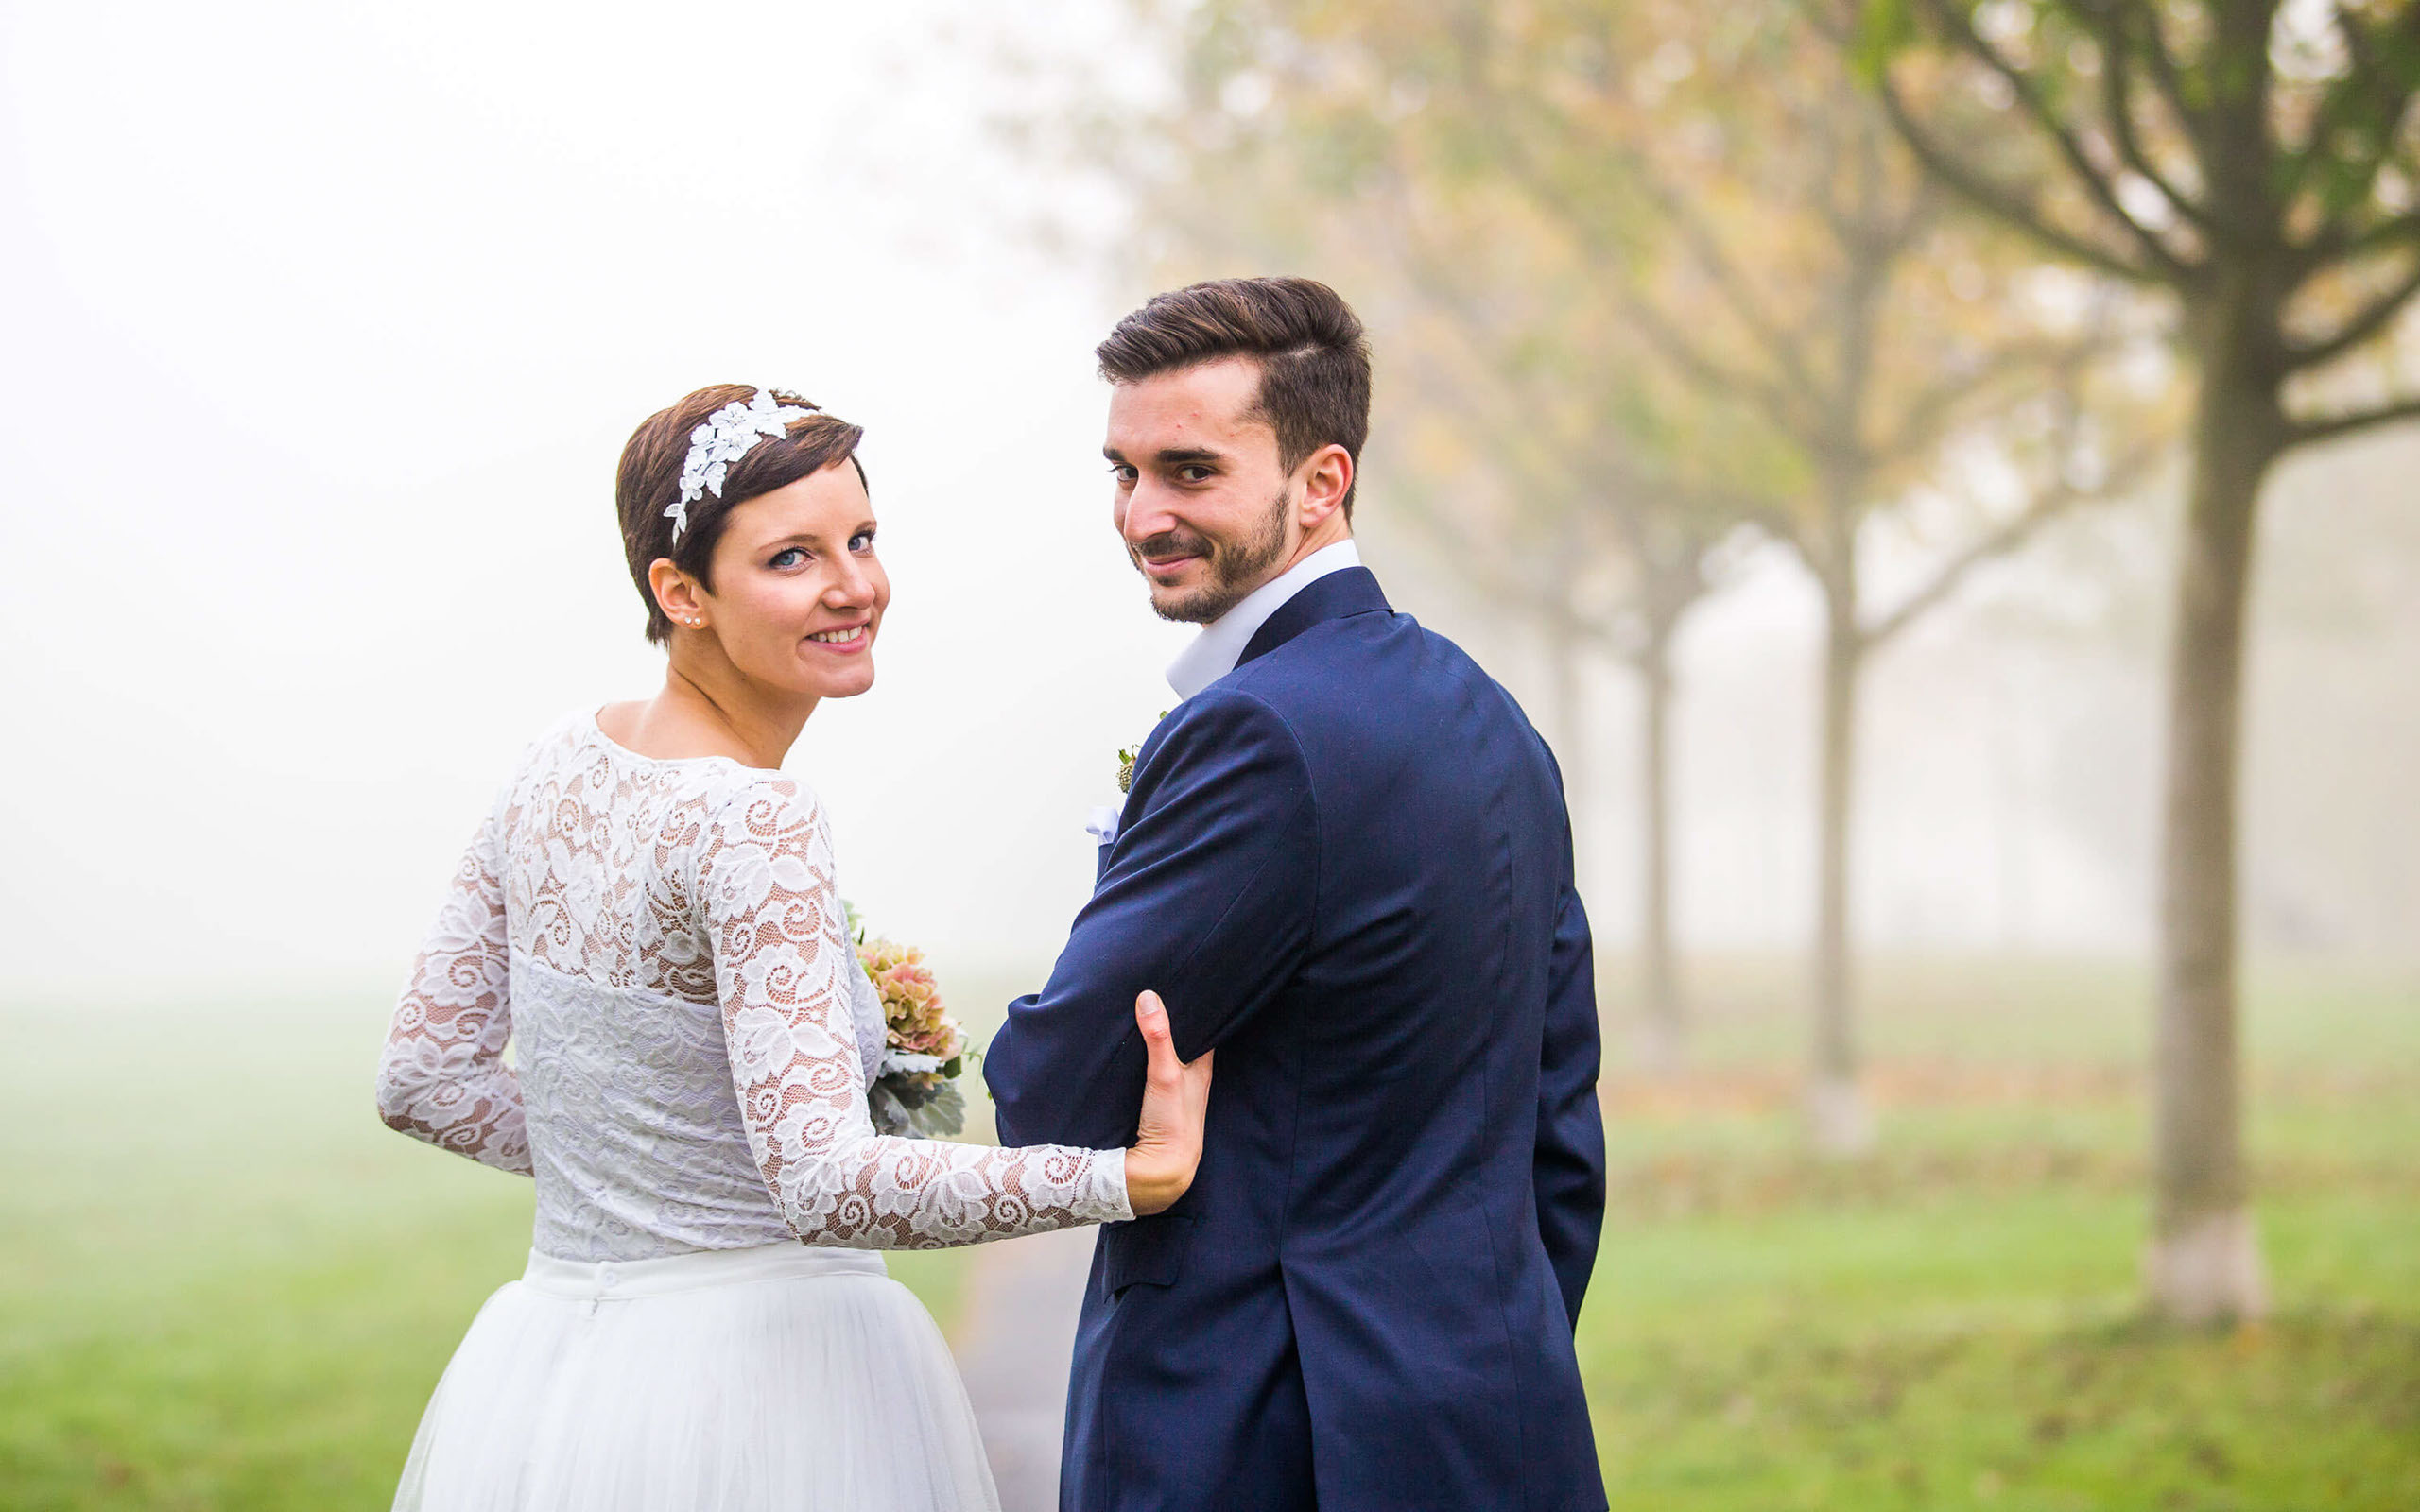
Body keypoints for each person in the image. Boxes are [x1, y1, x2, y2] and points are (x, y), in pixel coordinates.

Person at [373, 384, 1212, 1512]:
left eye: (861, 539)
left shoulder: (555, 763)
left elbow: (424, 1078)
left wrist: (645, 1171)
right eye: (791, 558)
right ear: (681, 592)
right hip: (759, 1391)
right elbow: (826, 1183)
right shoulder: (752, 818)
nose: (852, 585)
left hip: (559, 1384)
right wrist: (1131, 1176)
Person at [984, 278, 1608, 1512]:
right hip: (1498, 1430)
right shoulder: (1496, 726)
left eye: (1190, 471)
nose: (1141, 513)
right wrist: (1481, 1354)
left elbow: (1049, 1092)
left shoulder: (1252, 736)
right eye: (1124, 472)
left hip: (1259, 1438)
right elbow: (1559, 1133)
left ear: (1324, 482)